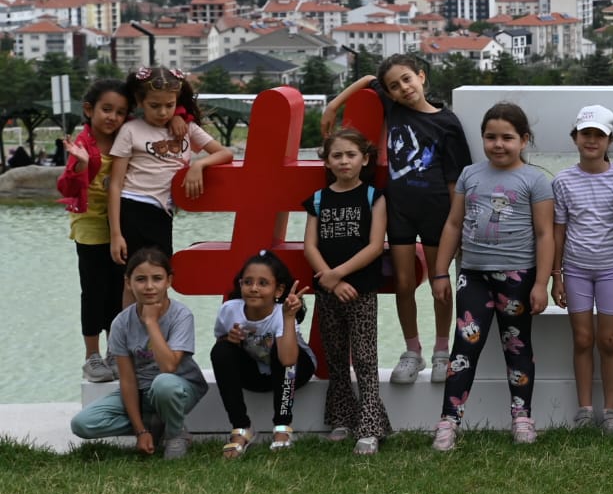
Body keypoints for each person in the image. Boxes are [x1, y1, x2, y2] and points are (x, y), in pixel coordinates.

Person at [326, 54, 472, 384]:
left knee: (440, 285)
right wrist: (333, 106)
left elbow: (454, 180)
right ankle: (412, 351)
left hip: (438, 213)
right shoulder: (394, 110)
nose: (403, 88)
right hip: (400, 212)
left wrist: (456, 223)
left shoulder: (447, 123)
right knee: (404, 284)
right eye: (394, 86)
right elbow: (366, 80)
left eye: (407, 79)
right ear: (389, 94)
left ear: (422, 76)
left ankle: (441, 350)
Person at [429, 102, 554, 450]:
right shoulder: (470, 175)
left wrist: (542, 283)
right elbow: (453, 224)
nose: (498, 144)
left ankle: (522, 417)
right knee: (464, 348)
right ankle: (448, 421)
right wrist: (440, 272)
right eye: (490, 137)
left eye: (507, 138)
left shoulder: (535, 180)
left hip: (518, 277)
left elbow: (546, 235)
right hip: (473, 275)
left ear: (524, 140)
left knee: (517, 348)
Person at [302, 126, 394, 455]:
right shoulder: (318, 199)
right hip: (328, 291)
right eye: (336, 155)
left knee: (366, 360)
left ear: (364, 159)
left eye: (350, 155)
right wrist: (329, 279)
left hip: (361, 290)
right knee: (336, 358)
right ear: (326, 161)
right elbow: (309, 245)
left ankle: (370, 428)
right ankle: (342, 417)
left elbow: (374, 246)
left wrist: (339, 276)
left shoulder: (373, 196)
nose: (344, 161)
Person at [550, 104, 613, 435]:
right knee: (583, 337)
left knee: (609, 339)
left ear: (608, 140)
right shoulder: (561, 181)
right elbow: (559, 230)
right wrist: (555, 276)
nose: (592, 141)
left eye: (599, 135)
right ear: (575, 137)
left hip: (612, 269)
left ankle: (612, 410)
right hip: (575, 269)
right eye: (586, 134)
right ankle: (585, 408)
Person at [68, 247, 206, 460]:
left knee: (164, 384)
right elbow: (128, 380)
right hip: (141, 392)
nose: (149, 286)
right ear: (128, 283)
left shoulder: (181, 316)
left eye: (157, 278)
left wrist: (151, 322)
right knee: (82, 424)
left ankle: (175, 433)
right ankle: (152, 424)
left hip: (179, 387)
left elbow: (169, 367)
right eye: (141, 279)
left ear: (168, 281)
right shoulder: (121, 323)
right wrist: (140, 430)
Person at [107, 67, 230, 266]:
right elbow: (115, 184)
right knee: (133, 276)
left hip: (163, 212)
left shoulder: (187, 129)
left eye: (169, 105)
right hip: (132, 207)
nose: (163, 112)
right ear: (140, 102)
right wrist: (115, 235)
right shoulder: (130, 130)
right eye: (154, 105)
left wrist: (198, 166)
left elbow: (224, 153)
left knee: (161, 274)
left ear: (177, 101)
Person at [209, 250, 315, 458]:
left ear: (278, 290)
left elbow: (288, 360)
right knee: (220, 351)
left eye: (263, 283)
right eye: (247, 282)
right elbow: (222, 350)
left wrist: (288, 318)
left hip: (294, 370)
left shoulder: (281, 312)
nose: (254, 288)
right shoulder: (229, 310)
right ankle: (241, 428)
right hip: (257, 374)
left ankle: (283, 427)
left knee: (279, 348)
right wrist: (229, 340)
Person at [59, 78, 131, 383]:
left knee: (119, 290)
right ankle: (92, 356)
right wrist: (79, 165)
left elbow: (165, 110)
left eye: (120, 111)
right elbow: (66, 187)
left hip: (120, 223)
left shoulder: (126, 138)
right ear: (89, 109)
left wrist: (181, 116)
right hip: (90, 225)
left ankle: (114, 351)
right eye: (106, 109)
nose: (112, 117)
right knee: (93, 291)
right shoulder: (82, 144)